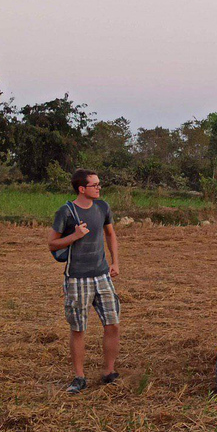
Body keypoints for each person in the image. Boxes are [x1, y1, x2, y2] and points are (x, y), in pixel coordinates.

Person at [48, 169, 120, 394]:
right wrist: (75, 236)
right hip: (77, 278)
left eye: (99, 184)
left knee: (113, 324)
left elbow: (110, 234)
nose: (99, 188)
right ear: (82, 188)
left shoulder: (103, 207)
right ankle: (79, 377)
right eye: (94, 185)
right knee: (78, 328)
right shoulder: (66, 212)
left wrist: (115, 262)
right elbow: (52, 244)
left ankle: (109, 372)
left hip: (102, 275)